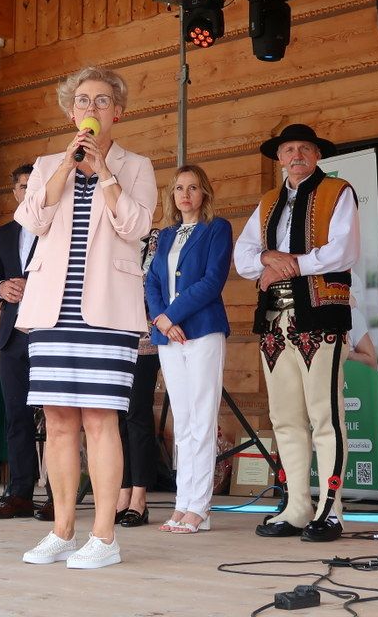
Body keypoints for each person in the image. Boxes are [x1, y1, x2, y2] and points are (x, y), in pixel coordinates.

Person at [15, 66, 156, 569]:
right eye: (82, 101)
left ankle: (104, 536)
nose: (90, 108)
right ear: (71, 113)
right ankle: (62, 530)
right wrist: (66, 168)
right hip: (53, 310)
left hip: (108, 310)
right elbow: (32, 219)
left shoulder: (136, 166)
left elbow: (137, 227)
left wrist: (105, 175)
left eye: (100, 101)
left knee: (100, 419)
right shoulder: (48, 163)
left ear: (117, 112)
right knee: (57, 422)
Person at [234, 123, 359, 543]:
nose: (296, 156)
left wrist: (289, 266)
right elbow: (244, 256)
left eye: (305, 149)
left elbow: (343, 250)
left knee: (325, 416)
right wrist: (268, 258)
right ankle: (298, 506)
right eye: (289, 150)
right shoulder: (268, 202)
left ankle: (331, 509)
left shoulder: (337, 192)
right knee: (285, 417)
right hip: (275, 320)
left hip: (321, 315)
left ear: (317, 155)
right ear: (279, 158)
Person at [145, 165, 233, 534]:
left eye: (193, 187)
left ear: (204, 193)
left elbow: (212, 281)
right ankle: (183, 503)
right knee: (182, 421)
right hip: (169, 336)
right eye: (179, 188)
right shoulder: (164, 235)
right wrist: (162, 320)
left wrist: (171, 315)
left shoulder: (217, 228)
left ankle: (200, 507)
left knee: (202, 419)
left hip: (203, 331)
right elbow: (151, 280)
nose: (185, 194)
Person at [0, 162, 53, 520]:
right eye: (23, 186)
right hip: (11, 337)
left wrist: (34, 286)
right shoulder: (5, 233)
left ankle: (57, 495)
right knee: (16, 418)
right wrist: (1, 288)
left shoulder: (56, 226)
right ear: (15, 192)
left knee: (56, 419)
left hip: (49, 334)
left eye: (34, 185)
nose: (29, 191)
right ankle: (20, 493)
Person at [114, 228, 161, 529]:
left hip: (145, 339)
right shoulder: (112, 239)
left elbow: (151, 287)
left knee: (137, 414)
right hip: (113, 338)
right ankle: (123, 492)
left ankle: (139, 498)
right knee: (117, 416)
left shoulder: (155, 240)